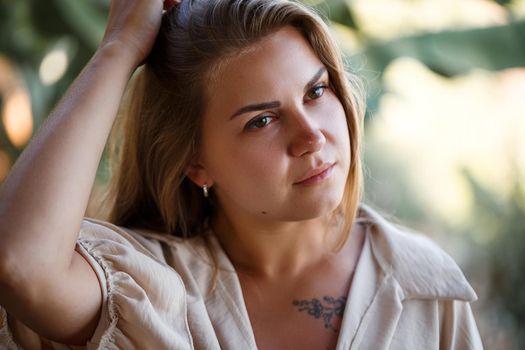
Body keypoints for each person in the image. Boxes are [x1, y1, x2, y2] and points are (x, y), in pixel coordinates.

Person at [0, 0, 483, 348]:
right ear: (196, 162)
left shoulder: (425, 287)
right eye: (262, 120)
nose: (311, 136)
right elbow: (21, 264)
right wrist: (121, 46)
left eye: (316, 92)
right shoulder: (150, 290)